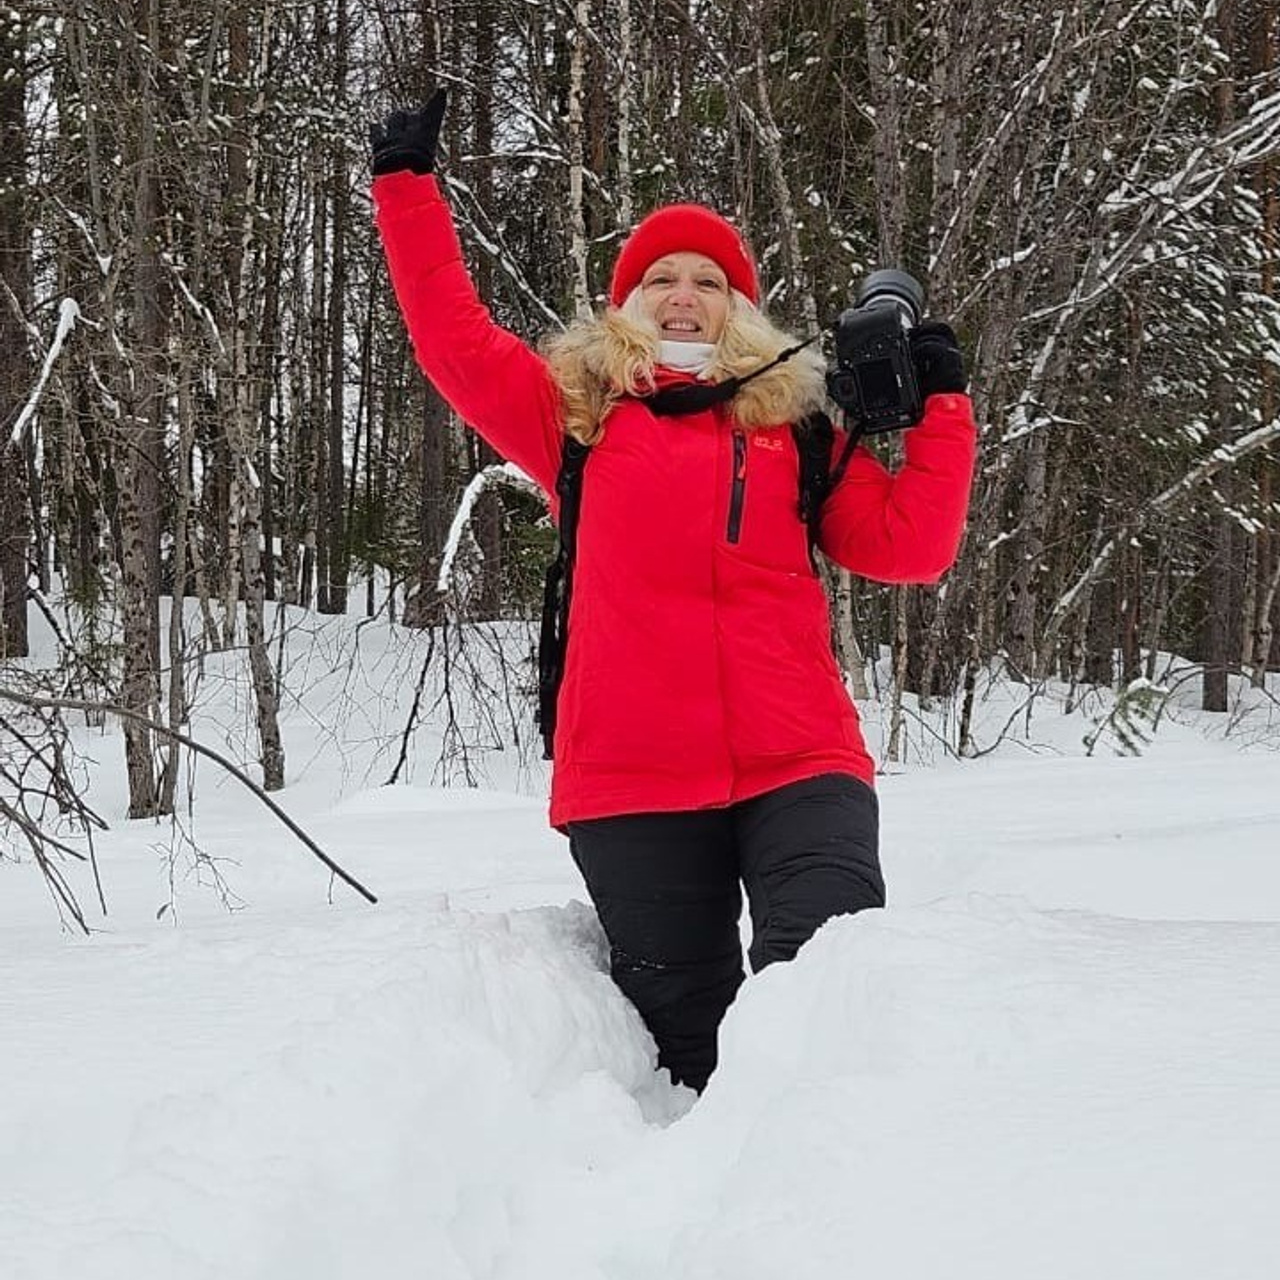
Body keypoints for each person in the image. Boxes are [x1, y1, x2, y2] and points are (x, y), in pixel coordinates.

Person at [371, 91, 977, 1093]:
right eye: (660, 277)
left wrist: (942, 399)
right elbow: (451, 333)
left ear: (739, 307)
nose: (683, 292)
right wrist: (405, 185)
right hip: (632, 773)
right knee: (684, 1038)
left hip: (798, 756)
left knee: (822, 982)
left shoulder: (794, 426)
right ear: (626, 303)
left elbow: (908, 547)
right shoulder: (575, 416)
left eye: (707, 278)